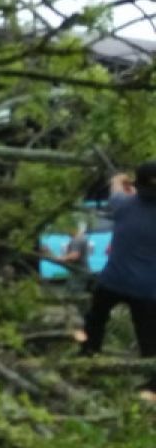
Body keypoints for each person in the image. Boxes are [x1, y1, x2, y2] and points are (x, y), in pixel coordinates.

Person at [80, 164, 156, 398]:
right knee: (149, 339)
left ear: (136, 184)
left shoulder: (123, 205)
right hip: (147, 289)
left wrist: (119, 178)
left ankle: (87, 362)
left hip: (113, 280)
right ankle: (151, 385)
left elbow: (115, 189)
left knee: (94, 323)